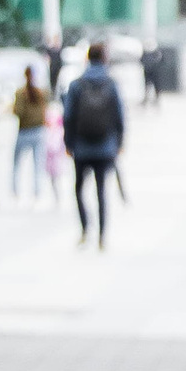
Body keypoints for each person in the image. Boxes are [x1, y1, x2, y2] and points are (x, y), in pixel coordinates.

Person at [64, 37, 127, 245]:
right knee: (101, 191)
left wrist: (68, 143)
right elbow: (119, 116)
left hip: (81, 146)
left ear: (87, 58)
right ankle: (102, 235)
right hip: (105, 146)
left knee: (79, 189)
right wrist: (119, 143)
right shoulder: (111, 84)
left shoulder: (76, 84)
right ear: (104, 58)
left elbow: (68, 116)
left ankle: (85, 227)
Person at [9, 64, 54, 206]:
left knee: (16, 163)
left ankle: (16, 192)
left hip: (24, 130)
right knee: (38, 164)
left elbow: (18, 112)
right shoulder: (42, 92)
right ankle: (37, 193)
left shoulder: (21, 93)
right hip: (39, 131)